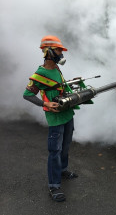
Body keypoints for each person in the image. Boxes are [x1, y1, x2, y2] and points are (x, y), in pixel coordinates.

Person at [23, 35, 78, 202]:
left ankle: (63, 170)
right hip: (55, 119)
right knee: (55, 151)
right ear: (47, 51)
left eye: (61, 50)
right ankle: (54, 186)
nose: (61, 53)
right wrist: (45, 104)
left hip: (67, 113)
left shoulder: (57, 69)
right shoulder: (39, 73)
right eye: (58, 50)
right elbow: (27, 95)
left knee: (66, 145)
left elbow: (59, 88)